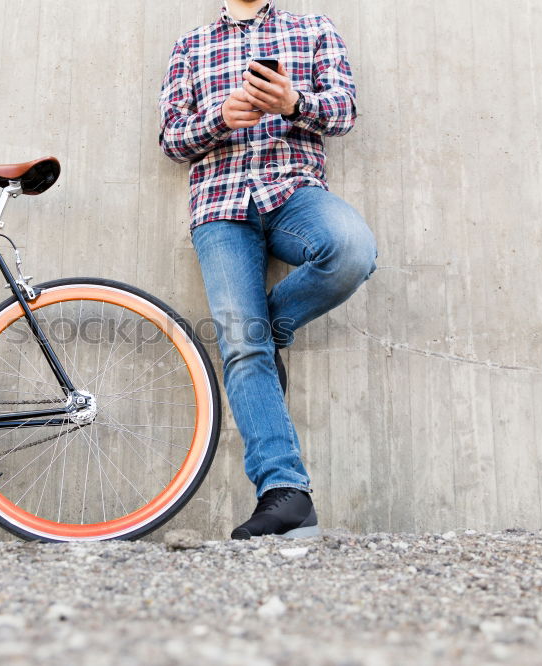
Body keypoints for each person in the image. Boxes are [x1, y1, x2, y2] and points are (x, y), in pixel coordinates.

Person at [158, 0, 378, 539]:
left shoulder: (314, 29)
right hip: (220, 207)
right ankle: (286, 494)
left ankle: (269, 330)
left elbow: (345, 112)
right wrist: (219, 119)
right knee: (241, 344)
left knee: (350, 250)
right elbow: (170, 138)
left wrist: (294, 101)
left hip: (293, 192)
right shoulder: (190, 45)